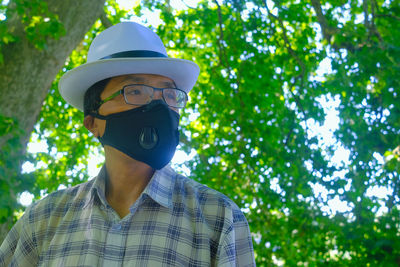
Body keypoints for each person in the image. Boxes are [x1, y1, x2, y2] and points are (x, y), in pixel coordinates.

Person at [0, 22, 255, 266]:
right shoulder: (44, 220)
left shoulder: (219, 218)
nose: (159, 105)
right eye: (134, 91)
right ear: (93, 122)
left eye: (169, 94)